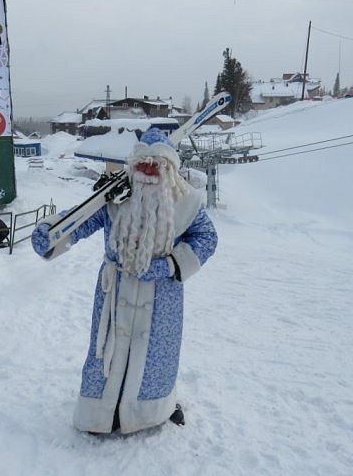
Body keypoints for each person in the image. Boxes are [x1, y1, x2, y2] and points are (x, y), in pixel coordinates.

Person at [31, 127, 218, 434]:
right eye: (142, 164)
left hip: (163, 295)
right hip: (114, 290)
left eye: (155, 166)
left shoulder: (186, 202)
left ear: (169, 169)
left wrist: (170, 266)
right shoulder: (115, 197)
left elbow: (207, 238)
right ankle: (101, 414)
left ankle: (157, 409)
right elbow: (82, 219)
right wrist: (53, 235)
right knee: (106, 348)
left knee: (158, 355)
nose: (147, 171)